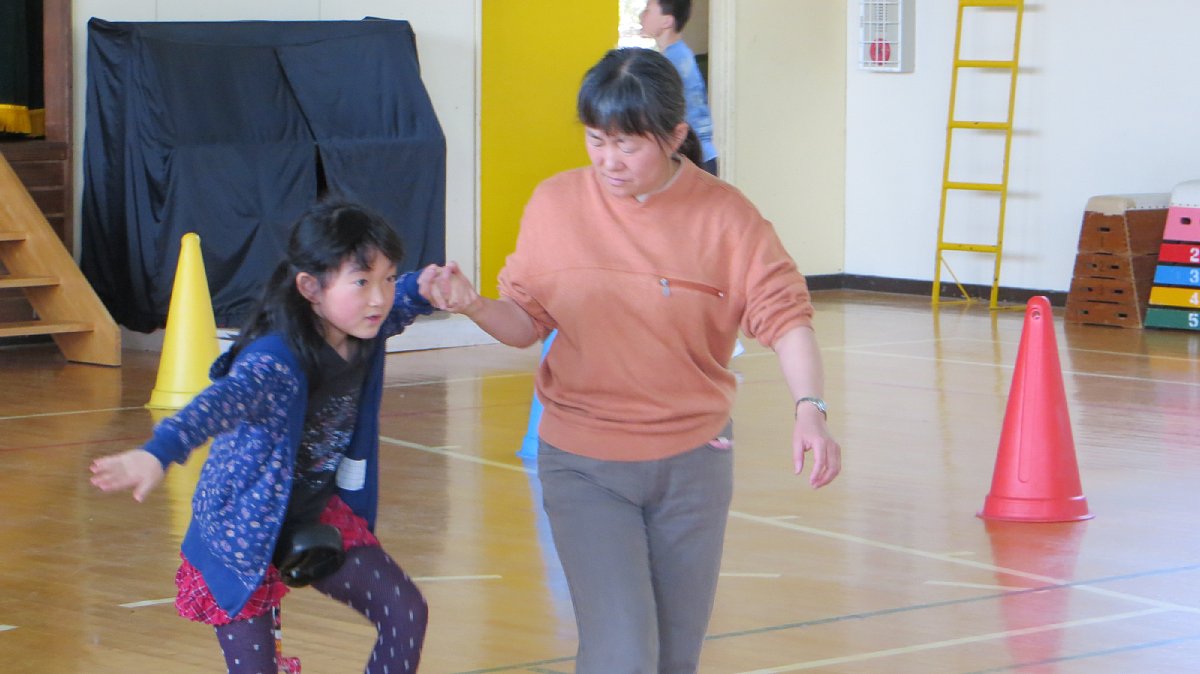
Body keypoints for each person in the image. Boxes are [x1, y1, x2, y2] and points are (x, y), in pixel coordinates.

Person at [423, 47, 841, 673]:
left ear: (674, 136)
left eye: (628, 144)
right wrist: (473, 305)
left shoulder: (728, 218)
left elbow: (787, 321)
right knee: (622, 656)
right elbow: (525, 323)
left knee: (673, 659)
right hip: (585, 465)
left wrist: (811, 408)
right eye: (596, 140)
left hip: (693, 463)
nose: (609, 161)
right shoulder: (555, 205)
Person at [90, 200, 434, 674]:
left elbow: (401, 304)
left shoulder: (362, 329)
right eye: (361, 282)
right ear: (310, 287)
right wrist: (158, 452)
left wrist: (425, 285)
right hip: (241, 530)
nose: (379, 298)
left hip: (311, 511)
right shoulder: (275, 361)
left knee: (404, 612)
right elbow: (220, 401)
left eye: (388, 278)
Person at [640, 0, 720, 176]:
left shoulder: (672, 61)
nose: (642, 15)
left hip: (692, 160)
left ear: (667, 21)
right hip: (699, 157)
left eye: (648, 10)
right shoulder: (679, 53)